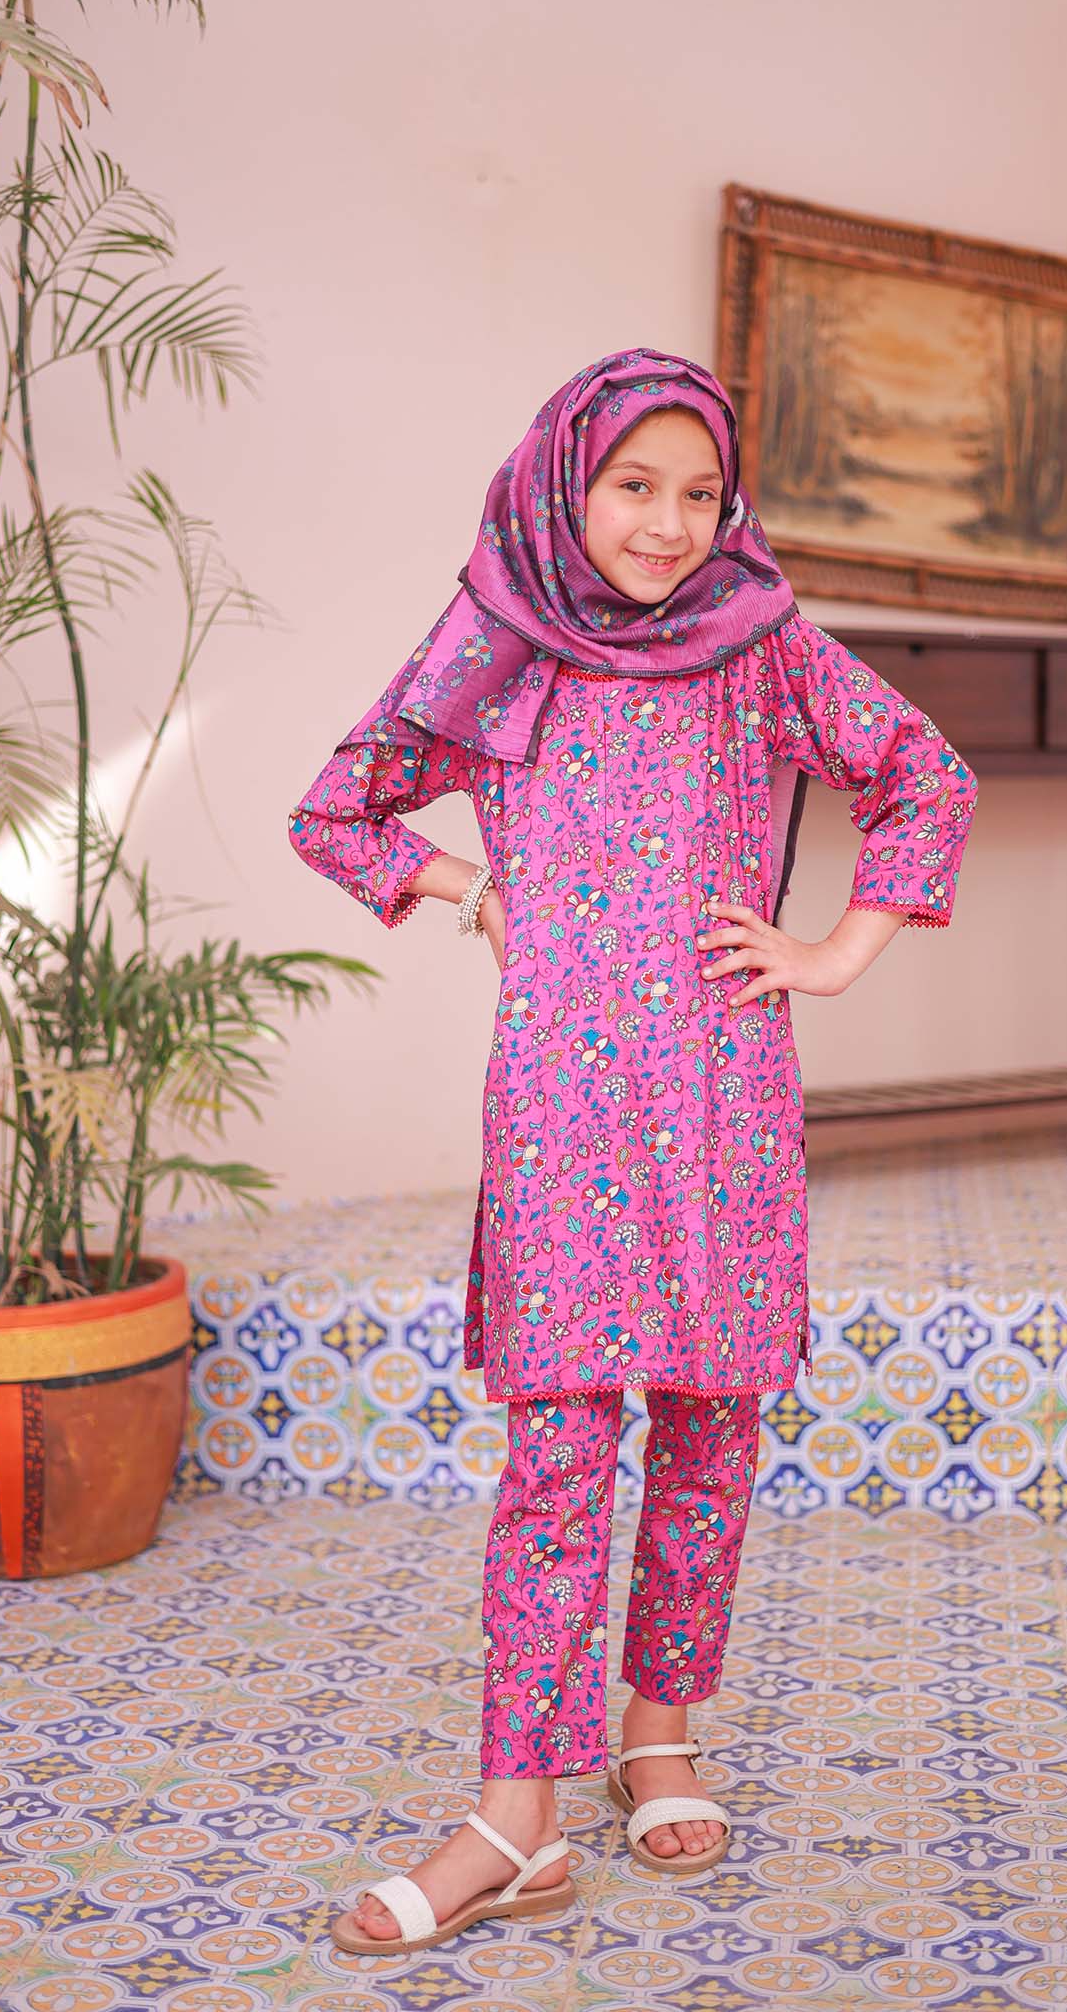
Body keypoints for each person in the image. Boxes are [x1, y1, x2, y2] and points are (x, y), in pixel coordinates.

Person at [287, 347, 979, 1953]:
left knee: (711, 1434)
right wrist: (469, 891)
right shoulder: (502, 639)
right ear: (566, 484)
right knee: (557, 1456)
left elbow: (921, 779)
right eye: (633, 486)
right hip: (564, 1106)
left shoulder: (758, 640)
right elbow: (340, 809)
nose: (668, 525)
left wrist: (833, 952)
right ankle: (516, 1812)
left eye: (698, 492)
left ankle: (660, 1734)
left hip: (727, 1097)